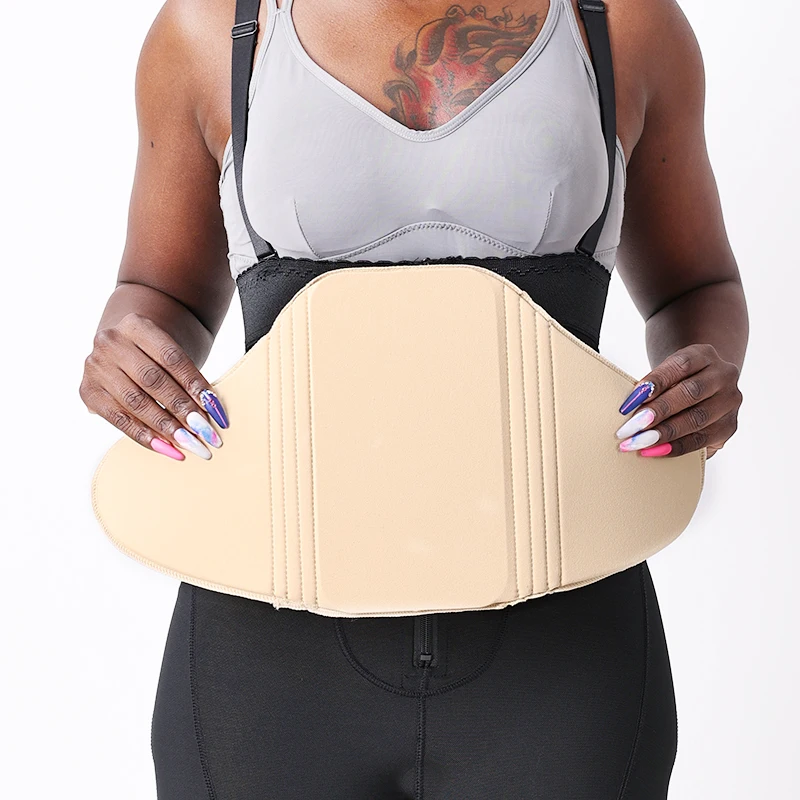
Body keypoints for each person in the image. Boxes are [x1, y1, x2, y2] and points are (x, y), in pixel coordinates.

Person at [79, 0, 748, 797]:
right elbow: (161, 293)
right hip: (264, 650)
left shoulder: (621, 23)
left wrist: (700, 375)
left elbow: (697, 286)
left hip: (566, 632)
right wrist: (130, 355)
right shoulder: (213, 28)